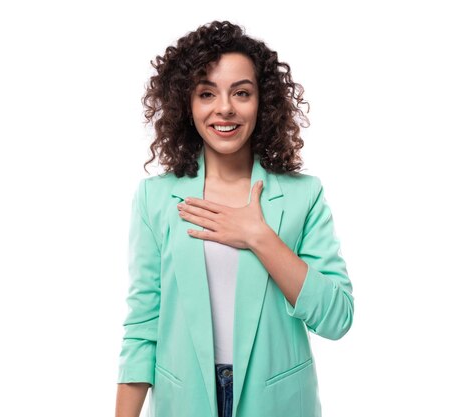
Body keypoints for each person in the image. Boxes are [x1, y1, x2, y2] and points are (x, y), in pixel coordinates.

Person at [115, 20, 354, 417]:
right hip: (184, 401)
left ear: (263, 102)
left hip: (277, 402)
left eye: (241, 93)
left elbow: (337, 317)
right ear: (186, 104)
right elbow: (143, 325)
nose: (224, 108)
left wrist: (260, 237)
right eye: (206, 93)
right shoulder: (154, 198)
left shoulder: (303, 195)